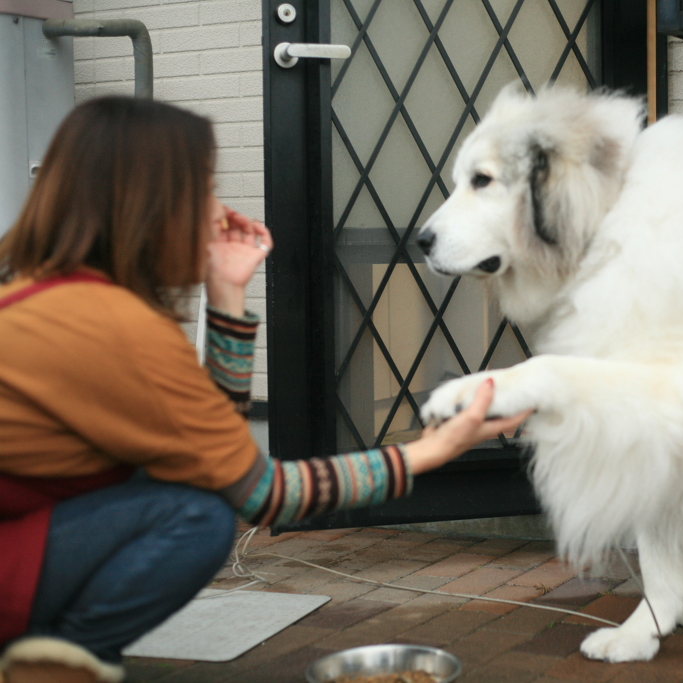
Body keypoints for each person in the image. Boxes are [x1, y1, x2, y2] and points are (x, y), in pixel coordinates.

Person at [0, 96, 530, 683]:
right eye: (203, 188)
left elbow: (206, 448)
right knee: (194, 519)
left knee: (179, 487)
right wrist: (431, 451)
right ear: (150, 202)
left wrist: (227, 292)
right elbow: (258, 494)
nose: (217, 210)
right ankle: (50, 667)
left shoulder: (46, 290)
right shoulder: (113, 327)